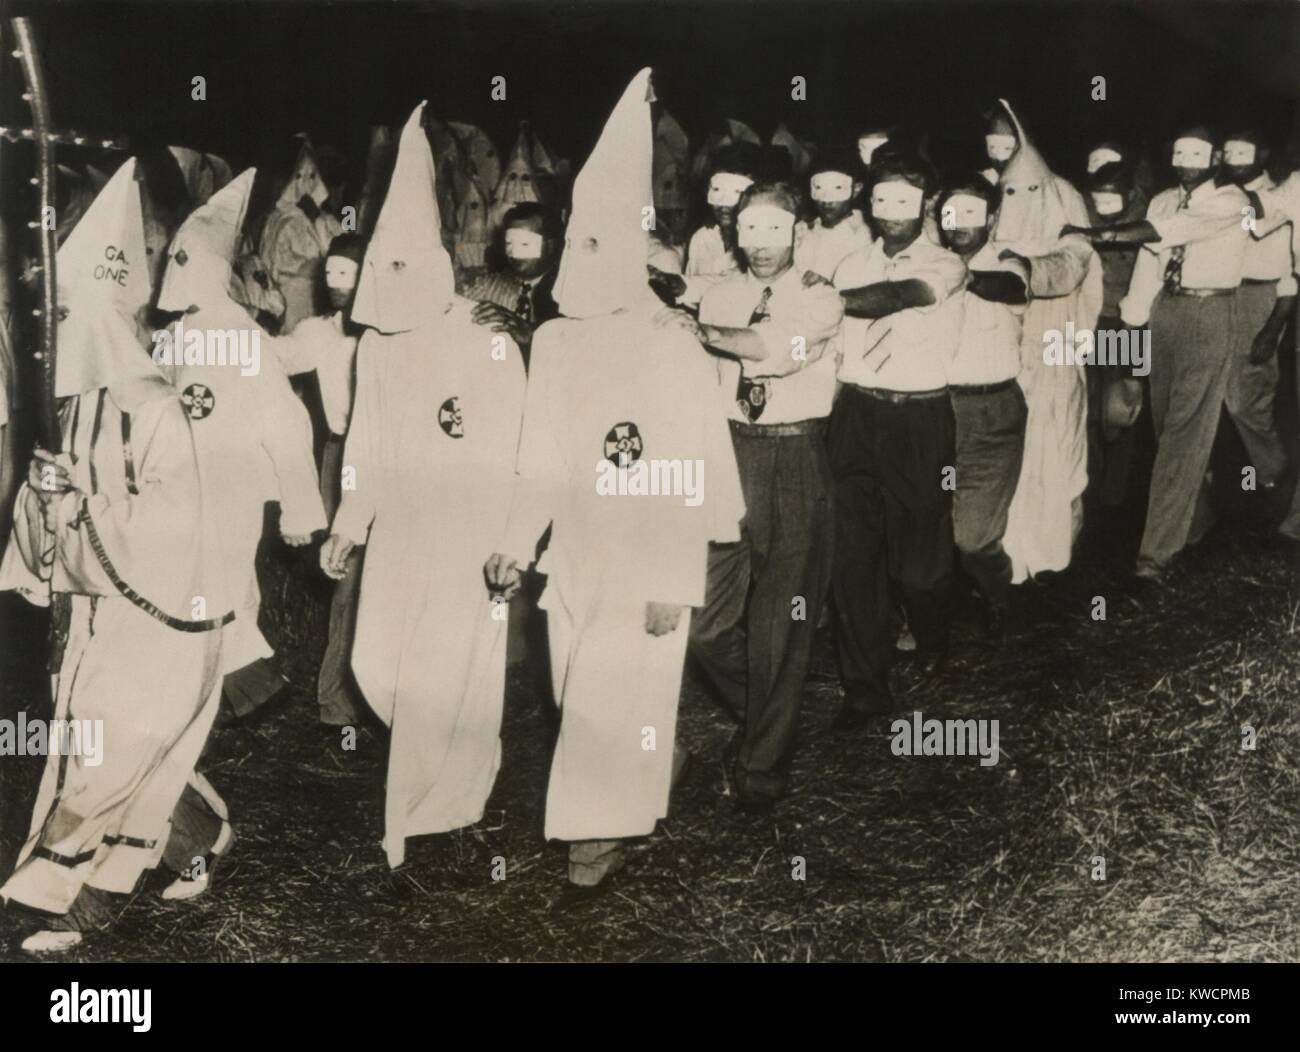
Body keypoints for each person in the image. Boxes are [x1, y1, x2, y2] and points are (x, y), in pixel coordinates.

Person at [487, 68, 745, 902]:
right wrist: (514, 542)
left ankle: (600, 840)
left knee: (610, 689)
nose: (586, 261)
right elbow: (541, 454)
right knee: (574, 691)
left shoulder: (671, 346)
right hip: (578, 550)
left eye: (604, 246)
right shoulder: (557, 342)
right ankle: (654, 762)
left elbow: (696, 462)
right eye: (579, 244)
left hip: (646, 551)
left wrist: (676, 579)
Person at [0, 160, 229, 953]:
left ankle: (79, 896)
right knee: (105, 752)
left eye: (65, 312)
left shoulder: (156, 406)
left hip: (163, 617)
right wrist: (42, 495)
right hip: (101, 615)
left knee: (112, 757)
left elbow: (173, 525)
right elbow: (46, 532)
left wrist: (82, 503)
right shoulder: (71, 405)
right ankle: (188, 844)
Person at [322, 102, 527, 869]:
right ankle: (452, 772)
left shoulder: (481, 337)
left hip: (468, 528)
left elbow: (517, 446)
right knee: (377, 664)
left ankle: (428, 816)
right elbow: (364, 441)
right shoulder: (373, 348)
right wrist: (348, 521)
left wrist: (514, 541)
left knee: (449, 666)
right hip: (400, 528)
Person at [685, 180, 844, 812]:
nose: (761, 244)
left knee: (782, 619)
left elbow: (777, 352)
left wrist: (698, 332)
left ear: (798, 232)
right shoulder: (719, 293)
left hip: (795, 456)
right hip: (726, 453)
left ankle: (762, 769)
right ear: (733, 232)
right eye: (750, 229)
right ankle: (769, 714)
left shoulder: (821, 298)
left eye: (775, 229)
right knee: (703, 623)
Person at [155, 169, 328, 718]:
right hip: (176, 485)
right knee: (180, 589)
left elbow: (285, 420)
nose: (172, 272)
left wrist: (299, 507)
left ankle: (239, 693)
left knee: (226, 590)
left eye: (184, 261)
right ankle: (210, 699)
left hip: (230, 486)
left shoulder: (240, 335)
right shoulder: (173, 334)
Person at [1078, 125, 1251, 580]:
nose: (1186, 162)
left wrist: (1095, 234)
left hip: (1211, 311)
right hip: (1165, 313)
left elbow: (1166, 233)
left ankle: (1155, 555)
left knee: (1182, 433)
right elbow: (1143, 283)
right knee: (1165, 428)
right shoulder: (1161, 200)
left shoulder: (1230, 201)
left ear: (1215, 160)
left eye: (1198, 154)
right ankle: (1199, 518)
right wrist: (1131, 363)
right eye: (1179, 153)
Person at [830, 156, 967, 724]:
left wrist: (820, 300)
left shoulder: (947, 263)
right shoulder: (849, 263)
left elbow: (899, 296)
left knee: (920, 562)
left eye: (904, 202)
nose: (890, 214)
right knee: (854, 555)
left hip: (921, 421)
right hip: (857, 413)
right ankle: (865, 684)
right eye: (880, 201)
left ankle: (936, 639)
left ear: (928, 205)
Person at [986, 99, 1102, 583]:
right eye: (991, 144)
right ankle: (1008, 554)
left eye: (1006, 143)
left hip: (1055, 335)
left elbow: (1075, 258)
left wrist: (1026, 270)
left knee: (1056, 439)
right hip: (1003, 340)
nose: (998, 153)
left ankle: (1056, 551)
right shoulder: (984, 195)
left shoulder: (1064, 196)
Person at [273, 233, 368, 726]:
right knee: (346, 575)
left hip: (397, 462)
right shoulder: (319, 333)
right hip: (344, 456)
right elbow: (276, 356)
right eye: (329, 273)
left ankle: (390, 698)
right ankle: (338, 704)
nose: (335, 284)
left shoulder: (393, 336)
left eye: (347, 274)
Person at [937, 177, 1028, 625]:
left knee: (972, 537)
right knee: (931, 522)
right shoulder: (929, 262)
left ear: (992, 218)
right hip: (935, 409)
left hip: (992, 413)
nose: (958, 226)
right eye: (950, 215)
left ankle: (1000, 589)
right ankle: (926, 614)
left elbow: (1012, 288)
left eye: (971, 215)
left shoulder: (1008, 262)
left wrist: (963, 276)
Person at [1221, 129, 1294, 497]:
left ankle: (1274, 472)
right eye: (1227, 151)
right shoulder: (1224, 195)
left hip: (1259, 297)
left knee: (1245, 398)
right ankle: (1233, 479)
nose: (1233, 158)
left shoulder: (1277, 194)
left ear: (1262, 154)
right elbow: (1252, 227)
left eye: (1242, 151)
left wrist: (1275, 321)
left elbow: (1288, 269)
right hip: (1219, 294)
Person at [1083, 160, 1147, 512]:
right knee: (1090, 407)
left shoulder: (1143, 222)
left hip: (1128, 323)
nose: (1103, 210)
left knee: (1123, 408)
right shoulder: (1085, 215)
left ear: (1130, 194)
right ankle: (1091, 482)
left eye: (1111, 203)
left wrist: (1133, 333)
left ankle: (1115, 494)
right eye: (1098, 202)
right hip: (1090, 321)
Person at [648, 144, 759, 310]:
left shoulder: (763, 242)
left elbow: (743, 287)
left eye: (737, 192)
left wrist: (685, 286)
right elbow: (690, 304)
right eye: (717, 190)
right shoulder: (702, 238)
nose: (724, 204)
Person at [257, 136, 343, 333]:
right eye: (298, 176)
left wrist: (318, 221)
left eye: (312, 176)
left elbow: (339, 251)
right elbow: (274, 264)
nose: (305, 183)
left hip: (322, 300)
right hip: (292, 300)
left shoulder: (327, 219)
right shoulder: (278, 220)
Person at [464, 201, 562, 362]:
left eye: (525, 243)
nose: (513, 252)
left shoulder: (567, 294)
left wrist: (532, 335)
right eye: (509, 243)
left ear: (551, 245)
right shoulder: (484, 287)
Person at [794, 146, 872, 283]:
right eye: (819, 188)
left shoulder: (864, 236)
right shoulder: (802, 230)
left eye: (837, 188)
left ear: (857, 189)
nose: (827, 201)